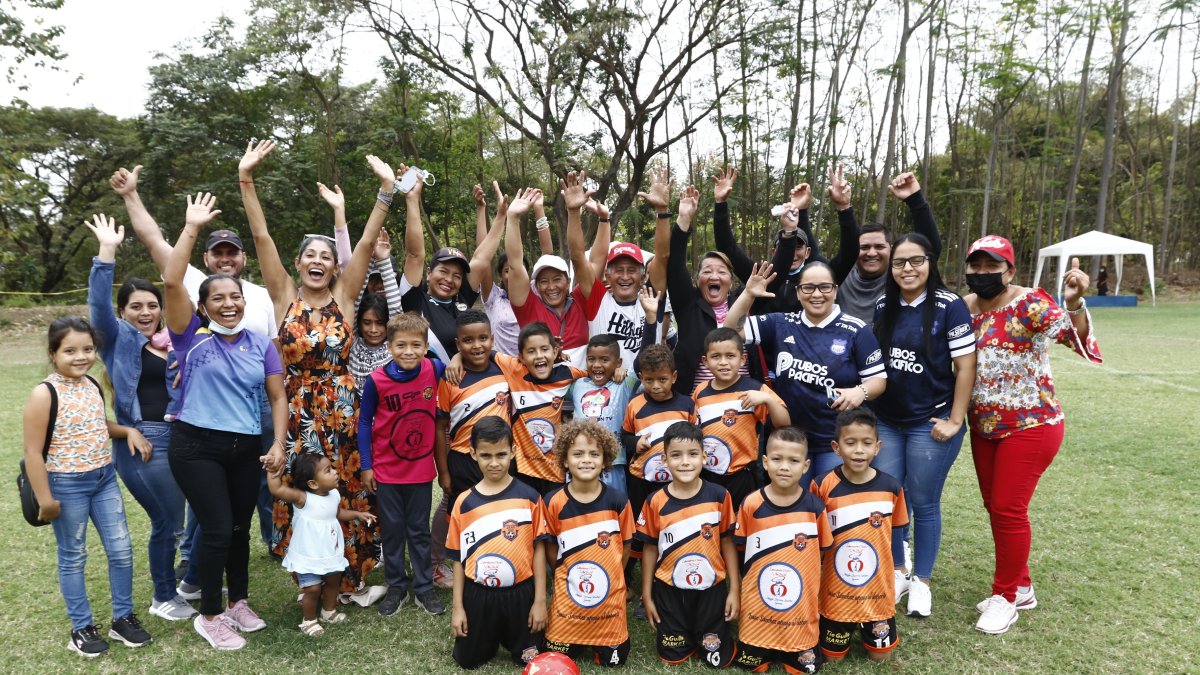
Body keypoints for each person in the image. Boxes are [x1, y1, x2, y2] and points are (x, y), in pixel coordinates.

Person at [110, 162, 278, 560]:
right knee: (208, 484)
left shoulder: (260, 294)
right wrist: (131, 195)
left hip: (256, 400)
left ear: (242, 259)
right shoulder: (189, 283)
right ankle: (193, 554)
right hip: (206, 408)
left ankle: (274, 542)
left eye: (231, 253)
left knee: (261, 477)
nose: (225, 259)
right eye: (217, 252)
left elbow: (272, 348)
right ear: (206, 256)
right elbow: (152, 239)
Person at [240, 142, 388, 593]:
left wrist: (386, 191)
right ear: (299, 263)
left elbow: (364, 243)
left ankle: (350, 574)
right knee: (304, 489)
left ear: (333, 265)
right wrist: (246, 179)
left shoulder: (345, 298)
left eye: (327, 255)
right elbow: (262, 237)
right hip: (298, 407)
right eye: (311, 255)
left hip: (343, 408)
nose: (319, 261)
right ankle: (311, 575)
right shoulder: (285, 296)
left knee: (345, 485)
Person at [162, 192, 288, 651]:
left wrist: (277, 443)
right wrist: (191, 226)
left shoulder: (260, 341)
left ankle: (238, 602)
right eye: (218, 298)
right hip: (196, 446)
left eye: (234, 296)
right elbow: (172, 279)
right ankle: (210, 614)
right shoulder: (188, 338)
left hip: (245, 447)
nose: (229, 303)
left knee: (237, 528)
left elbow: (278, 396)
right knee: (215, 528)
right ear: (204, 306)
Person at [962, 235, 1102, 635]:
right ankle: (1021, 586)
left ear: (1010, 271)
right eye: (977, 266)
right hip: (984, 426)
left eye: (993, 267)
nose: (984, 273)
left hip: (1031, 425)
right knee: (995, 506)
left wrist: (1073, 303)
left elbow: (1077, 342)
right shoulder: (964, 308)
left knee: (1008, 508)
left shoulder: (1031, 303)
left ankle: (1005, 597)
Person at [22, 316, 154, 657]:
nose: (80, 357)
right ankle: (81, 627)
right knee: (73, 556)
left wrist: (127, 431)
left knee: (122, 550)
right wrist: (45, 499)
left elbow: (97, 424)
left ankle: (123, 618)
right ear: (53, 354)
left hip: (103, 479)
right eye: (70, 351)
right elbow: (33, 453)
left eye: (88, 349)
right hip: (66, 486)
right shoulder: (44, 393)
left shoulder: (92, 384)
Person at [85, 215, 193, 622]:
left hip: (183, 437)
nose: (146, 312)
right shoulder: (118, 340)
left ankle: (190, 578)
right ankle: (163, 596)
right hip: (143, 443)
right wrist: (106, 251)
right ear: (122, 312)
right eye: (136, 306)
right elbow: (97, 307)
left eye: (152, 305)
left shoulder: (176, 343)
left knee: (191, 516)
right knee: (166, 521)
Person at [869, 232, 977, 617]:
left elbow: (965, 367)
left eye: (916, 261)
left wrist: (955, 419)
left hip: (929, 421)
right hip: (888, 420)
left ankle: (923, 582)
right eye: (900, 262)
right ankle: (899, 570)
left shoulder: (950, 306)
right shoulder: (884, 305)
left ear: (930, 263)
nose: (907, 269)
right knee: (891, 499)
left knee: (924, 501)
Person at [725, 262, 887, 485]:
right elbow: (730, 330)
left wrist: (860, 392)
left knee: (829, 509)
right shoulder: (782, 323)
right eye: (808, 288)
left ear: (836, 290)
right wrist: (748, 294)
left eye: (825, 287)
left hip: (835, 442)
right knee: (794, 511)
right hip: (790, 441)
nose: (817, 294)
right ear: (798, 293)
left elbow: (878, 380)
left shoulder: (856, 330)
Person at [358, 312, 448, 618]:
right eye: (400, 345)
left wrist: (454, 361)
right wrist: (367, 465)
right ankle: (396, 586)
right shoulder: (376, 381)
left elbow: (449, 364)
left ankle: (424, 587)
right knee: (394, 531)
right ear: (389, 346)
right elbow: (364, 425)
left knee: (419, 531)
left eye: (415, 345)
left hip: (420, 470)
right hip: (386, 471)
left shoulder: (434, 369)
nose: (408, 351)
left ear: (425, 347)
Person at [447, 418, 548, 669]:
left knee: (531, 659)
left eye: (502, 454)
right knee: (467, 661)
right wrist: (458, 608)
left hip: (521, 595)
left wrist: (539, 601)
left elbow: (539, 550)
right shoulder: (463, 502)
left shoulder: (530, 497)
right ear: (473, 454)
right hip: (479, 595)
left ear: (513, 452)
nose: (494, 463)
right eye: (486, 455)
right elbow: (458, 560)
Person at [636, 422, 739, 668]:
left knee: (715, 657)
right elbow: (649, 549)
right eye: (676, 455)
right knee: (673, 656)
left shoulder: (719, 496)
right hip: (668, 589)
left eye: (693, 454)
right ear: (664, 459)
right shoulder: (654, 501)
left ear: (704, 456)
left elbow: (727, 543)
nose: (685, 462)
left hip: (711, 588)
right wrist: (647, 595)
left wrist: (734, 590)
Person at [732, 426, 831, 674]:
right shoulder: (751, 503)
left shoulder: (814, 507)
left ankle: (797, 644)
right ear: (765, 462)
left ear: (806, 466)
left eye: (793, 460)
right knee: (753, 667)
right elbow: (741, 547)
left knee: (804, 669)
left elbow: (820, 553)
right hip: (757, 610)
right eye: (777, 459)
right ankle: (759, 643)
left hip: (799, 611)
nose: (784, 466)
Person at [812, 408, 907, 663]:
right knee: (832, 658)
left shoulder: (892, 488)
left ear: (877, 447)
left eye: (866, 443)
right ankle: (837, 622)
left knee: (881, 657)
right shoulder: (821, 486)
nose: (858, 450)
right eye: (850, 442)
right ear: (836, 446)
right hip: (836, 593)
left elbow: (894, 536)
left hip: (876, 593)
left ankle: (869, 626)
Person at [541, 420, 636, 668]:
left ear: (605, 460)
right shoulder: (553, 501)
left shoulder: (619, 501)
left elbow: (625, 545)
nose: (586, 460)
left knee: (614, 662)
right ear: (564, 460)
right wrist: (561, 570)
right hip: (567, 601)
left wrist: (614, 573)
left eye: (594, 454)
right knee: (556, 657)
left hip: (609, 604)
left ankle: (606, 635)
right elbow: (550, 546)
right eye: (578, 454)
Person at [667, 182, 765, 395]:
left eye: (721, 272)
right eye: (707, 271)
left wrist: (721, 206)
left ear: (731, 279)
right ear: (697, 278)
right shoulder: (688, 305)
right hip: (697, 401)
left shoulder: (746, 302)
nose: (713, 276)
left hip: (744, 400)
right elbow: (674, 264)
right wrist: (683, 219)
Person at [266, 454, 377, 637]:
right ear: (313, 484)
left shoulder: (333, 494)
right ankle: (309, 620)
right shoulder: (303, 499)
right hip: (308, 555)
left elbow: (337, 513)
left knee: (333, 581)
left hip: (330, 551)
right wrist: (272, 470)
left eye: (332, 468)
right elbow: (277, 490)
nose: (335, 472)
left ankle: (328, 611)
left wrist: (357, 514)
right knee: (313, 589)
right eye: (328, 471)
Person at [577, 167, 677, 370]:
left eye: (631, 270)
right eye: (618, 270)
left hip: (648, 392)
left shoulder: (651, 298)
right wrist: (574, 213)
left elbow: (663, 255)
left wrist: (662, 212)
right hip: (604, 392)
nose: (625, 276)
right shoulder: (598, 300)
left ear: (643, 274)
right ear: (607, 274)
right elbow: (578, 257)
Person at [504, 177, 610, 361]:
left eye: (557, 279)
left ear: (568, 281)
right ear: (535, 285)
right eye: (543, 281)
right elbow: (514, 264)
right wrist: (512, 218)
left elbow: (588, 259)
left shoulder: (580, 301)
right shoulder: (528, 308)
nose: (551, 287)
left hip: (583, 387)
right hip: (544, 388)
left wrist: (586, 214)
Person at [570, 286, 663, 495]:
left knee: (615, 513)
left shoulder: (623, 384)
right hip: (579, 463)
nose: (597, 365)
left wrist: (650, 319)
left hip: (614, 463)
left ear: (618, 362)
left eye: (605, 360)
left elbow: (643, 357)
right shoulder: (577, 385)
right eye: (592, 359)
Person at [825, 167, 942, 324]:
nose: (872, 253)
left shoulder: (899, 277)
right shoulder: (840, 277)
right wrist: (843, 208)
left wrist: (915, 200)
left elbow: (931, 249)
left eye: (879, 247)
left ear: (892, 249)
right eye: (864, 247)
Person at [692, 327, 790, 508]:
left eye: (730, 356)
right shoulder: (700, 391)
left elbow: (784, 423)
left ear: (742, 359)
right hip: (707, 473)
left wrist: (768, 400)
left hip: (743, 474)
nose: (723, 362)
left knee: (742, 524)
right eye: (716, 357)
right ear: (705, 361)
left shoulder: (755, 389)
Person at [711, 166, 824, 315]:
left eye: (798, 247)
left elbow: (846, 258)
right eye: (789, 247)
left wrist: (800, 212)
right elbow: (728, 248)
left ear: (808, 252)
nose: (793, 254)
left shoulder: (815, 280)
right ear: (774, 251)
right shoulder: (762, 276)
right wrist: (720, 204)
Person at [496, 322, 587, 495]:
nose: (539, 356)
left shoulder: (568, 373)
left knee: (553, 518)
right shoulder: (514, 368)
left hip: (553, 470)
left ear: (555, 351)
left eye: (544, 349)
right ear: (520, 357)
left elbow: (598, 374)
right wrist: (457, 358)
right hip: (521, 470)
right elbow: (483, 352)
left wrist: (618, 371)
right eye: (531, 351)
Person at [475, 182, 555, 356]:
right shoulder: (493, 297)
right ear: (500, 275)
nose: (512, 274)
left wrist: (539, 209)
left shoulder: (535, 292)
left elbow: (548, 256)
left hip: (538, 364)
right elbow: (482, 258)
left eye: (518, 269)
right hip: (506, 371)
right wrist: (481, 210)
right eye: (506, 271)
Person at [621, 344, 696, 519]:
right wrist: (636, 442)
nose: (655, 386)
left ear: (674, 377)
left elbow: (697, 441)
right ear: (641, 377)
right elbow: (624, 436)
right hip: (642, 480)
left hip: (678, 479)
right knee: (642, 529)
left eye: (662, 379)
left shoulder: (687, 405)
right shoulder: (635, 405)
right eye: (649, 380)